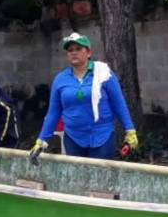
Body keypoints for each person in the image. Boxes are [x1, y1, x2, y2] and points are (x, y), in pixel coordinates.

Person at [31, 32, 138, 160]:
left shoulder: (104, 74)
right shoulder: (60, 79)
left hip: (102, 137)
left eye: (78, 49)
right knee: (77, 178)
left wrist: (130, 131)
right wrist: (41, 140)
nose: (73, 53)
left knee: (100, 177)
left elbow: (119, 104)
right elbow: (53, 113)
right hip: (73, 138)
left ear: (88, 53)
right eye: (70, 50)